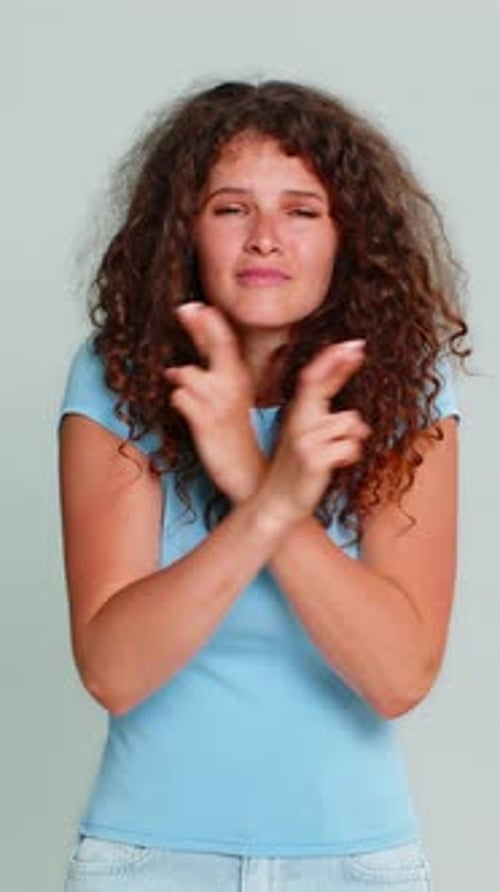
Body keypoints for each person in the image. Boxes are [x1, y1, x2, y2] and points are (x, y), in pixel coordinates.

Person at [58, 79, 469, 891]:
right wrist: (275, 498)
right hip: (146, 862)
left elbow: (398, 677)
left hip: (358, 865)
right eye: (230, 208)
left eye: (302, 210)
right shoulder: (118, 380)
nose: (266, 240)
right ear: (186, 233)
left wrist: (248, 476)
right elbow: (113, 668)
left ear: (348, 236)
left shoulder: (405, 386)